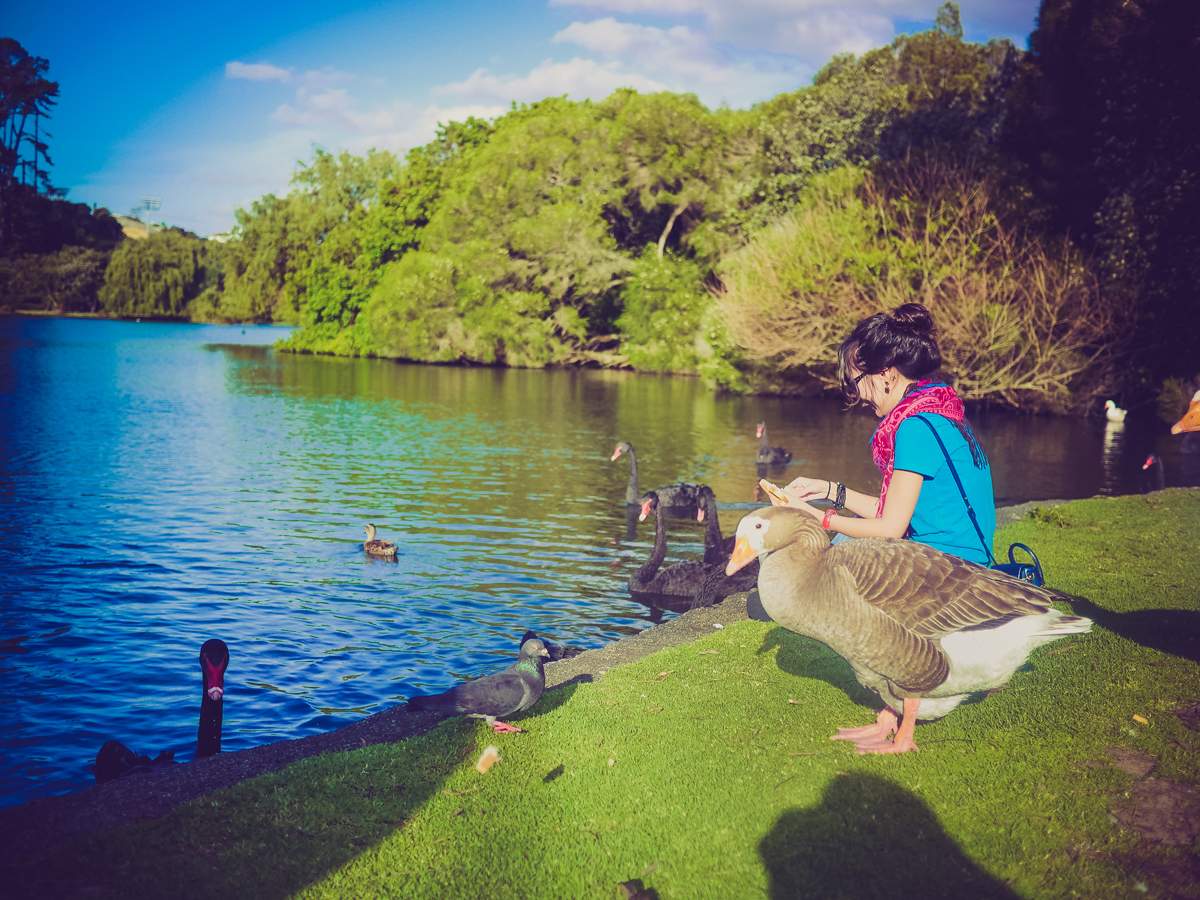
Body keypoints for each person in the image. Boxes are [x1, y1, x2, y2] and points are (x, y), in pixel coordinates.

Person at [773, 303, 996, 564]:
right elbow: (892, 512)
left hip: (948, 567)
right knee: (850, 535)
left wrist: (813, 516)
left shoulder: (916, 428)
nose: (858, 396)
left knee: (830, 558)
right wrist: (829, 490)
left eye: (856, 382)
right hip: (964, 559)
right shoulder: (939, 410)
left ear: (885, 374)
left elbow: (890, 528)